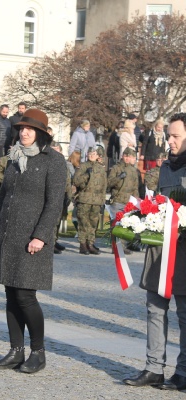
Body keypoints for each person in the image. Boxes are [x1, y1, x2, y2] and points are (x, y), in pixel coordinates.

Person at [0, 109, 66, 374]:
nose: (24, 132)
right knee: (10, 293)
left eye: (30, 129)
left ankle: (38, 352)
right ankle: (15, 351)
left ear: (41, 133)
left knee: (25, 296)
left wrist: (41, 236)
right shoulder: (14, 157)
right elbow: (2, 197)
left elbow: (55, 204)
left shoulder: (53, 161)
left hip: (32, 238)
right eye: (21, 129)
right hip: (8, 234)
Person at [122, 112, 186, 391]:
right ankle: (153, 368)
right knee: (154, 309)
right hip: (159, 251)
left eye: (175, 136)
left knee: (184, 314)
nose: (168, 141)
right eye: (168, 135)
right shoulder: (164, 168)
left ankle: (183, 372)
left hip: (183, 253)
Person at [73, 147, 107, 255]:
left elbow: (103, 186)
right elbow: (76, 181)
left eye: (94, 153)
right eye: (90, 153)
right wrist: (86, 174)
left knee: (93, 223)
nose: (91, 155)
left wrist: (102, 200)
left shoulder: (101, 169)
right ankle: (83, 245)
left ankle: (90, 243)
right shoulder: (83, 166)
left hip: (96, 200)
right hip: (84, 199)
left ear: (98, 156)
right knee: (83, 222)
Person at [107, 147, 139, 255]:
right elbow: (109, 183)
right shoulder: (116, 168)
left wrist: (136, 201)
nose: (129, 159)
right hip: (117, 199)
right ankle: (115, 247)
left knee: (126, 225)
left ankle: (123, 246)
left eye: (131, 157)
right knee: (116, 225)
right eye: (128, 156)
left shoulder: (133, 170)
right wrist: (119, 177)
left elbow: (135, 187)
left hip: (128, 202)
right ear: (124, 156)